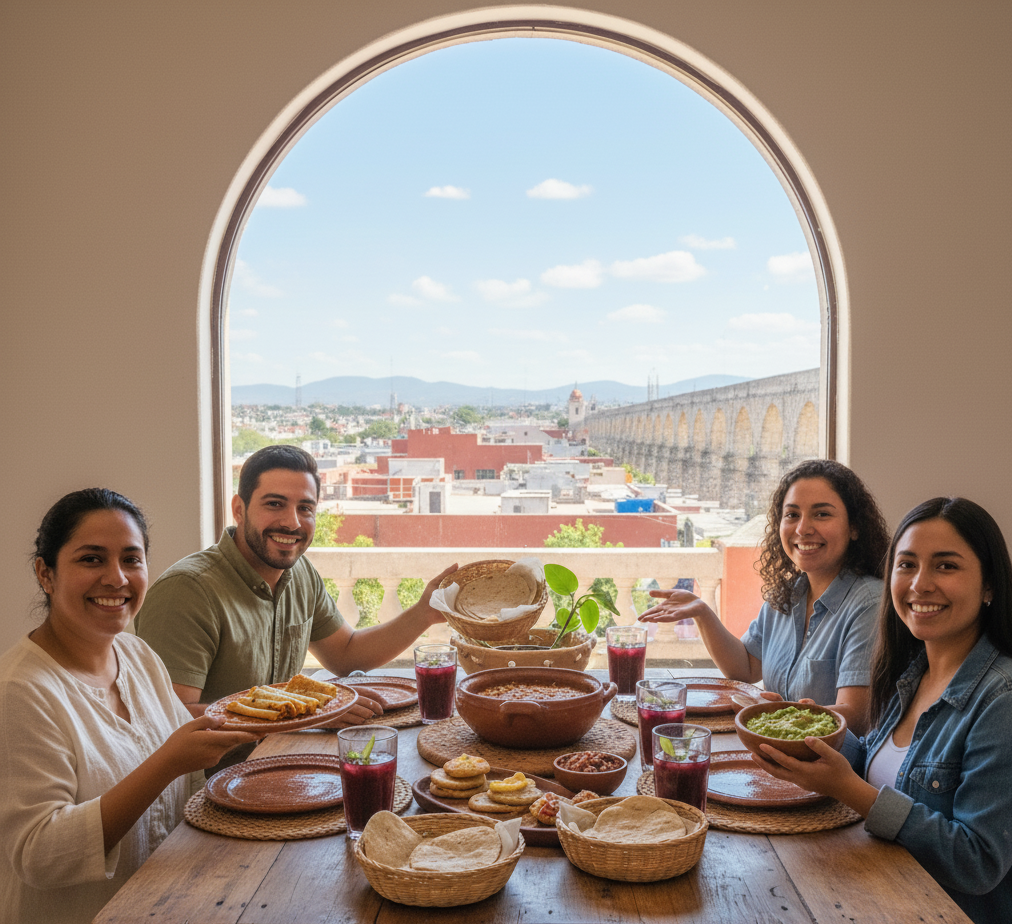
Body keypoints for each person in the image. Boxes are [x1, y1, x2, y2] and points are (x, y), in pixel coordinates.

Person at [0, 489, 260, 924]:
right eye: (91, 559)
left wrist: (287, 714)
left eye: (131, 559)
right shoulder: (21, 692)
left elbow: (183, 744)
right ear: (45, 573)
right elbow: (38, 853)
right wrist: (166, 764)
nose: (116, 578)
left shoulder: (136, 654)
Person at [751, 497, 1012, 923]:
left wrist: (850, 791)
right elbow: (881, 766)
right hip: (879, 894)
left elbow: (978, 862)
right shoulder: (913, 673)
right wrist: (819, 731)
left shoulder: (1001, 700)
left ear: (989, 586)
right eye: (906, 565)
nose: (920, 584)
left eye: (946, 566)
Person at [135, 445, 457, 725]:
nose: (292, 522)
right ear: (239, 510)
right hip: (210, 786)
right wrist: (307, 713)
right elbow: (170, 717)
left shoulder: (299, 573)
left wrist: (424, 614)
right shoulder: (188, 590)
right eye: (274, 504)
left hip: (283, 760)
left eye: (305, 508)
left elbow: (346, 655)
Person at [640, 460, 890, 735]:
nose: (803, 528)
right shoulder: (787, 594)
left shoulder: (870, 603)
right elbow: (745, 669)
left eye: (821, 515)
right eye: (792, 515)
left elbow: (856, 716)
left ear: (854, 527)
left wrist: (777, 715)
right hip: (776, 757)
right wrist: (703, 613)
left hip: (832, 769)